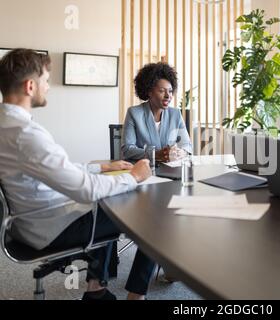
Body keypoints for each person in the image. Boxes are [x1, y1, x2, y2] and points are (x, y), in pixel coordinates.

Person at [0, 49, 155, 300]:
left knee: (110, 197)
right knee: (148, 215)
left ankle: (97, 288)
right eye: (46, 81)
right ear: (30, 86)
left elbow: (57, 170)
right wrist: (135, 176)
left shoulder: (7, 124)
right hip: (48, 227)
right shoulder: (25, 134)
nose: (48, 87)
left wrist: (102, 167)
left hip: (25, 222)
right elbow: (86, 189)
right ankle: (132, 294)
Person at [122, 62, 192, 163]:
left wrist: (182, 152)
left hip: (171, 169)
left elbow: (187, 145)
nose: (168, 96)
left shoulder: (175, 114)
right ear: (149, 91)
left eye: (170, 91)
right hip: (144, 169)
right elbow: (127, 150)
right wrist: (155, 154)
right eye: (162, 91)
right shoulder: (134, 113)